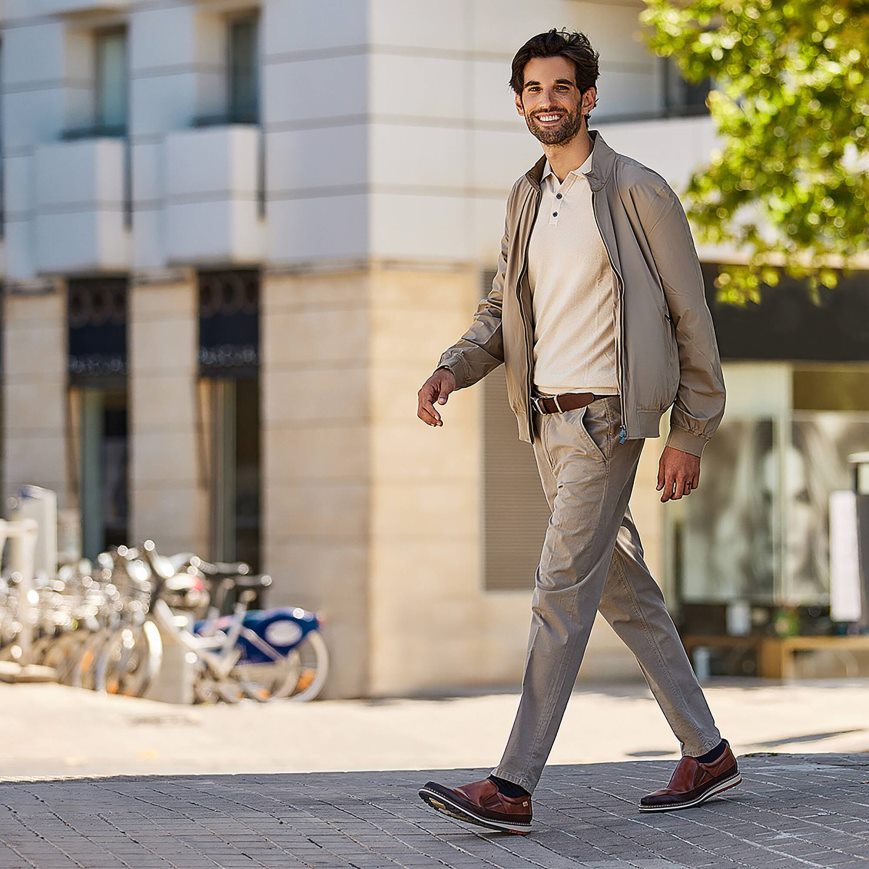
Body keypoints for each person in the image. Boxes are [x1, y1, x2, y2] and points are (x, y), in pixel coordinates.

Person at [415, 29, 739, 835]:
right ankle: (706, 751)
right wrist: (453, 366)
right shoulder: (525, 196)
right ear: (520, 100)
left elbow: (688, 317)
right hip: (544, 422)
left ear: (588, 97)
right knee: (621, 588)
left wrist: (690, 430)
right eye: (531, 88)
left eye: (560, 87)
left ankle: (512, 784)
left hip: (607, 418)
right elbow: (501, 312)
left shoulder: (638, 192)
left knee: (559, 591)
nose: (545, 101)